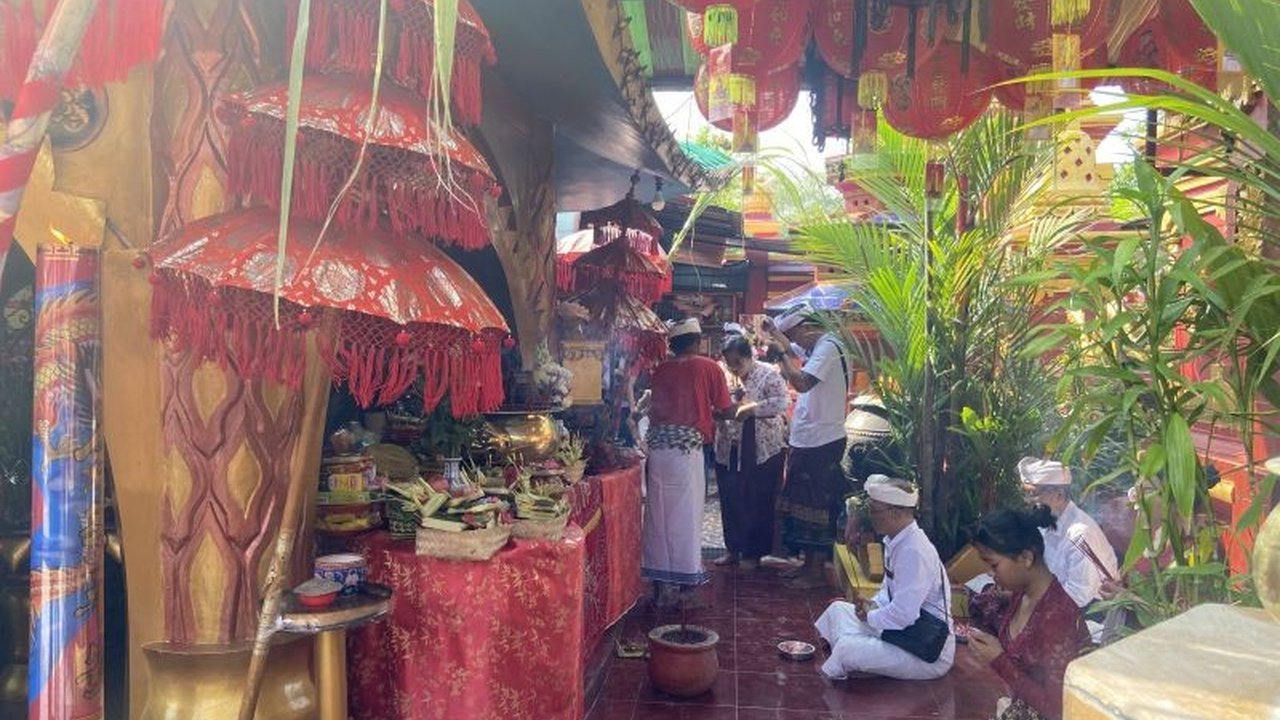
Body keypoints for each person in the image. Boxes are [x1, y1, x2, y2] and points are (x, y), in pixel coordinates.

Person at [641, 318, 740, 608]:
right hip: (686, 450)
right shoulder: (708, 367)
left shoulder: (661, 370)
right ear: (697, 341)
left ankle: (660, 585)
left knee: (658, 515)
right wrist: (736, 408)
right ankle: (685, 587)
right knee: (686, 516)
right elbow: (726, 410)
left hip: (658, 448)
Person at [814, 475, 954, 681]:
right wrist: (872, 605)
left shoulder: (914, 551)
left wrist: (870, 616)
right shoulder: (895, 540)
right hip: (902, 632)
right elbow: (887, 593)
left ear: (896, 513)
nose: (870, 516)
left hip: (925, 649)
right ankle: (864, 651)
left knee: (846, 649)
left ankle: (857, 650)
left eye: (874, 511)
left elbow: (904, 615)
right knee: (837, 610)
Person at [969, 506, 1092, 720]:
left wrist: (999, 660)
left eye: (994, 565)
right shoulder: (1022, 595)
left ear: (1026, 557)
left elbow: (1058, 710)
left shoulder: (1056, 619)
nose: (990, 574)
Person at [764, 302, 852, 589]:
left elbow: (802, 383)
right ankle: (807, 565)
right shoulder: (820, 346)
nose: (797, 342)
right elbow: (793, 348)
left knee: (816, 506)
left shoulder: (828, 347)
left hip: (821, 439)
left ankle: (814, 571)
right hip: (812, 437)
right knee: (803, 504)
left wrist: (781, 359)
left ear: (808, 328)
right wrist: (776, 335)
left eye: (798, 334)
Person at [712, 334, 790, 569]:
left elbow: (782, 402)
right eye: (729, 363)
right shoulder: (724, 376)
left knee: (757, 498)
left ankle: (753, 553)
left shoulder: (768, 373)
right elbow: (716, 401)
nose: (734, 368)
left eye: (738, 362)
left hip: (761, 448)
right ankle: (732, 549)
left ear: (749, 357)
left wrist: (752, 410)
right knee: (730, 496)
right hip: (729, 446)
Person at [1018, 457, 1119, 614]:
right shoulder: (1047, 521)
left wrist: (1029, 605)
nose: (1027, 500)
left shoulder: (1080, 534)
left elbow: (1078, 596)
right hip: (1055, 601)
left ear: (1058, 495)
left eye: (1032, 493)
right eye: (1025, 493)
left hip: (1090, 614)